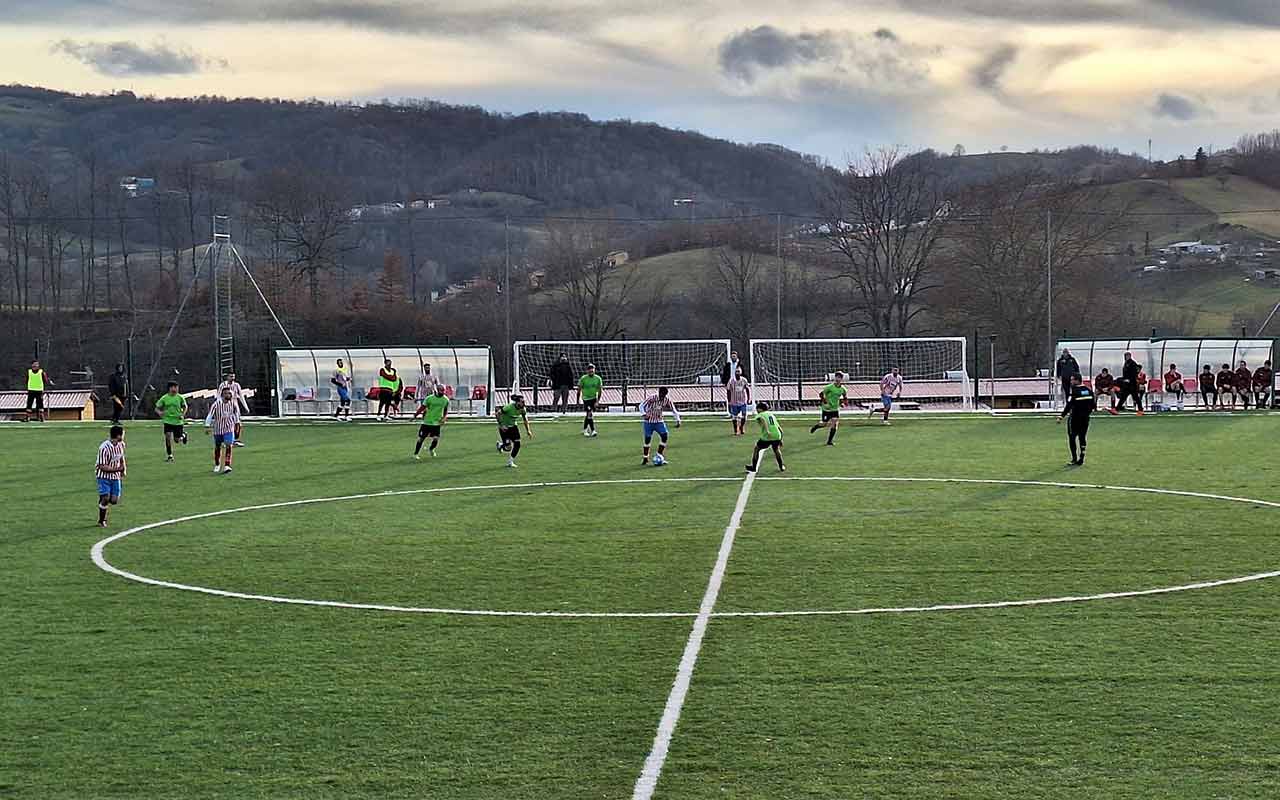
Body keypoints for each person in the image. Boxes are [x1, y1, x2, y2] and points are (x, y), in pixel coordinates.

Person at [1057, 373, 1096, 466]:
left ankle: (1074, 459)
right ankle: (1082, 457)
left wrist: (1061, 416)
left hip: (1075, 418)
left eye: (1072, 380)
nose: (1071, 382)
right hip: (1085, 419)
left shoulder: (1074, 391)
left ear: (1077, 380)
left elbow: (1069, 405)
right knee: (1082, 438)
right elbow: (1093, 405)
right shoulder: (1089, 390)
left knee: (1072, 437)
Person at [641, 387, 682, 466]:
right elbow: (641, 405)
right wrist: (644, 414)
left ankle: (659, 456)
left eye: (663, 395)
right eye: (661, 395)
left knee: (665, 436)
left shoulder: (667, 400)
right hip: (648, 422)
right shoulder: (652, 398)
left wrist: (678, 420)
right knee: (647, 439)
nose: (661, 397)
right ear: (658, 392)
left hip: (659, 421)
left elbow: (673, 409)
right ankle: (645, 458)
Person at [205, 386, 242, 474]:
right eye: (226, 393)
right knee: (218, 446)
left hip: (229, 427)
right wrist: (207, 425)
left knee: (229, 445)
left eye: (229, 393)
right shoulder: (216, 404)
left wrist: (237, 423)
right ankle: (217, 464)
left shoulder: (233, 403)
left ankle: (227, 465)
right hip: (218, 429)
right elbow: (210, 415)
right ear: (222, 395)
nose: (228, 395)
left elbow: (236, 413)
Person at [95, 424, 127, 527]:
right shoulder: (104, 448)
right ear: (118, 435)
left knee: (114, 500)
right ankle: (102, 520)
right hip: (103, 476)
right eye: (123, 434)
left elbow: (121, 457)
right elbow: (102, 466)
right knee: (105, 498)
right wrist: (118, 469)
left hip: (115, 477)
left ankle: (103, 498)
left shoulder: (121, 444)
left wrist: (123, 469)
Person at [745, 401, 785, 474]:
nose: (756, 410)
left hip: (767, 436)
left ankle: (753, 467)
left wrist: (767, 430)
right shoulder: (771, 415)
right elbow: (778, 426)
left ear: (760, 409)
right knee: (776, 449)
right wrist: (781, 438)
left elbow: (762, 420)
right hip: (777, 435)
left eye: (757, 409)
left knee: (757, 449)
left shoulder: (760, 415)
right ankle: (781, 466)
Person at [495, 394, 534, 468]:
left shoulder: (523, 409)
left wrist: (528, 431)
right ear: (517, 402)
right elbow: (498, 413)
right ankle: (501, 446)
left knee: (517, 444)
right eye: (522, 402)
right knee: (508, 448)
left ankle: (510, 461)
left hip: (513, 427)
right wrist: (501, 425)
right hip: (504, 428)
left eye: (524, 401)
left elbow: (525, 420)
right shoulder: (509, 407)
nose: (523, 403)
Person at [154, 381, 189, 462]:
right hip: (168, 421)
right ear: (170, 388)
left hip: (177, 421)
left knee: (177, 440)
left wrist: (182, 414)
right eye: (174, 387)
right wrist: (160, 413)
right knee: (168, 437)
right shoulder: (164, 398)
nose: (176, 389)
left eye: (177, 387)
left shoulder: (180, 397)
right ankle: (170, 455)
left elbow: (185, 407)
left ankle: (184, 435)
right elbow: (156, 408)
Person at [414, 384, 451, 460]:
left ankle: (431, 449)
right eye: (441, 390)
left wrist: (444, 417)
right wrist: (415, 415)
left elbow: (445, 409)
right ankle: (416, 454)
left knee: (436, 438)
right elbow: (422, 408)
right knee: (421, 439)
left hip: (436, 423)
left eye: (444, 390)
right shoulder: (429, 398)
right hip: (427, 422)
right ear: (437, 390)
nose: (443, 392)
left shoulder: (446, 400)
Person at [809, 372, 847, 445]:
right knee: (824, 424)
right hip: (827, 409)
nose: (838, 379)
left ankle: (830, 441)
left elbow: (845, 397)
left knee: (835, 424)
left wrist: (842, 403)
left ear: (841, 379)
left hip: (835, 409)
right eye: (837, 377)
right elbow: (821, 394)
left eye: (839, 377)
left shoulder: (843, 389)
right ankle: (816, 426)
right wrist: (824, 401)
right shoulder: (829, 387)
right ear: (835, 378)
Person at [217, 371, 250, 446]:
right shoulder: (223, 385)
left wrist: (246, 407)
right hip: (225, 406)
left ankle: (234, 440)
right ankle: (225, 440)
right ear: (227, 377)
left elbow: (241, 396)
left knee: (237, 423)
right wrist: (219, 406)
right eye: (231, 376)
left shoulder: (236, 385)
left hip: (234, 406)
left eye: (233, 376)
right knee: (225, 423)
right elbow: (218, 396)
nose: (232, 378)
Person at [577, 363, 603, 437]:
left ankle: (585, 429)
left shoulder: (598, 379)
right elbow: (579, 390)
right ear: (587, 370)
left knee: (589, 415)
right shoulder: (583, 379)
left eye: (592, 369)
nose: (591, 370)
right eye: (589, 369)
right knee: (589, 413)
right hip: (586, 399)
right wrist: (577, 400)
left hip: (593, 398)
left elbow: (600, 390)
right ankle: (592, 430)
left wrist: (597, 401)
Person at [726, 367, 751, 436]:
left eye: (738, 372)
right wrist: (729, 400)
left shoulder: (744, 380)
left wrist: (749, 398)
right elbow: (728, 390)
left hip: (743, 401)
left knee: (744, 415)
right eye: (736, 371)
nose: (737, 373)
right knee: (734, 417)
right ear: (734, 373)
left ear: (741, 373)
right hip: (734, 402)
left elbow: (747, 389)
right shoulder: (731, 381)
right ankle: (736, 430)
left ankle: (741, 427)